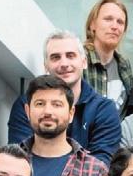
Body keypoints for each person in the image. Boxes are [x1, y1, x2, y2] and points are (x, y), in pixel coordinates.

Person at [7, 30, 123, 160]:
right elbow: (18, 158)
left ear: (84, 62)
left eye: (70, 56)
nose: (64, 64)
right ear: (46, 66)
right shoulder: (26, 104)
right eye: (55, 57)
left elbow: (101, 165)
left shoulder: (104, 110)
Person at [83, 0, 133, 107]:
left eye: (120, 22)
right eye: (108, 19)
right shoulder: (79, 59)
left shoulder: (124, 64)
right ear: (92, 25)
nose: (115, 26)